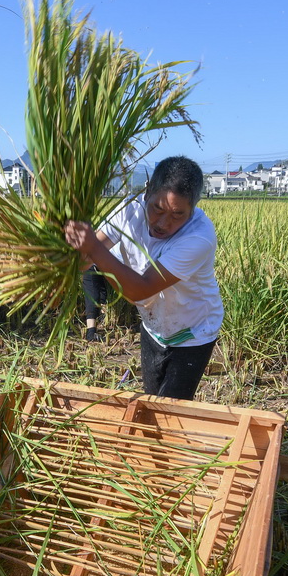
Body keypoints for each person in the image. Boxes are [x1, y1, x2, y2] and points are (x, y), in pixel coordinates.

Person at [64, 156, 222, 400]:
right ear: (147, 192)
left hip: (193, 331)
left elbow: (142, 289)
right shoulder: (129, 211)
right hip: (154, 325)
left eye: (177, 214)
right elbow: (85, 259)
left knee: (171, 408)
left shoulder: (198, 237)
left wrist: (94, 248)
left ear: (192, 210)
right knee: (150, 398)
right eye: (157, 208)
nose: (162, 223)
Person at [81, 265, 107, 342]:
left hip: (96, 264)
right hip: (95, 264)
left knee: (97, 294)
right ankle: (91, 332)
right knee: (96, 294)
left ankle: (93, 330)